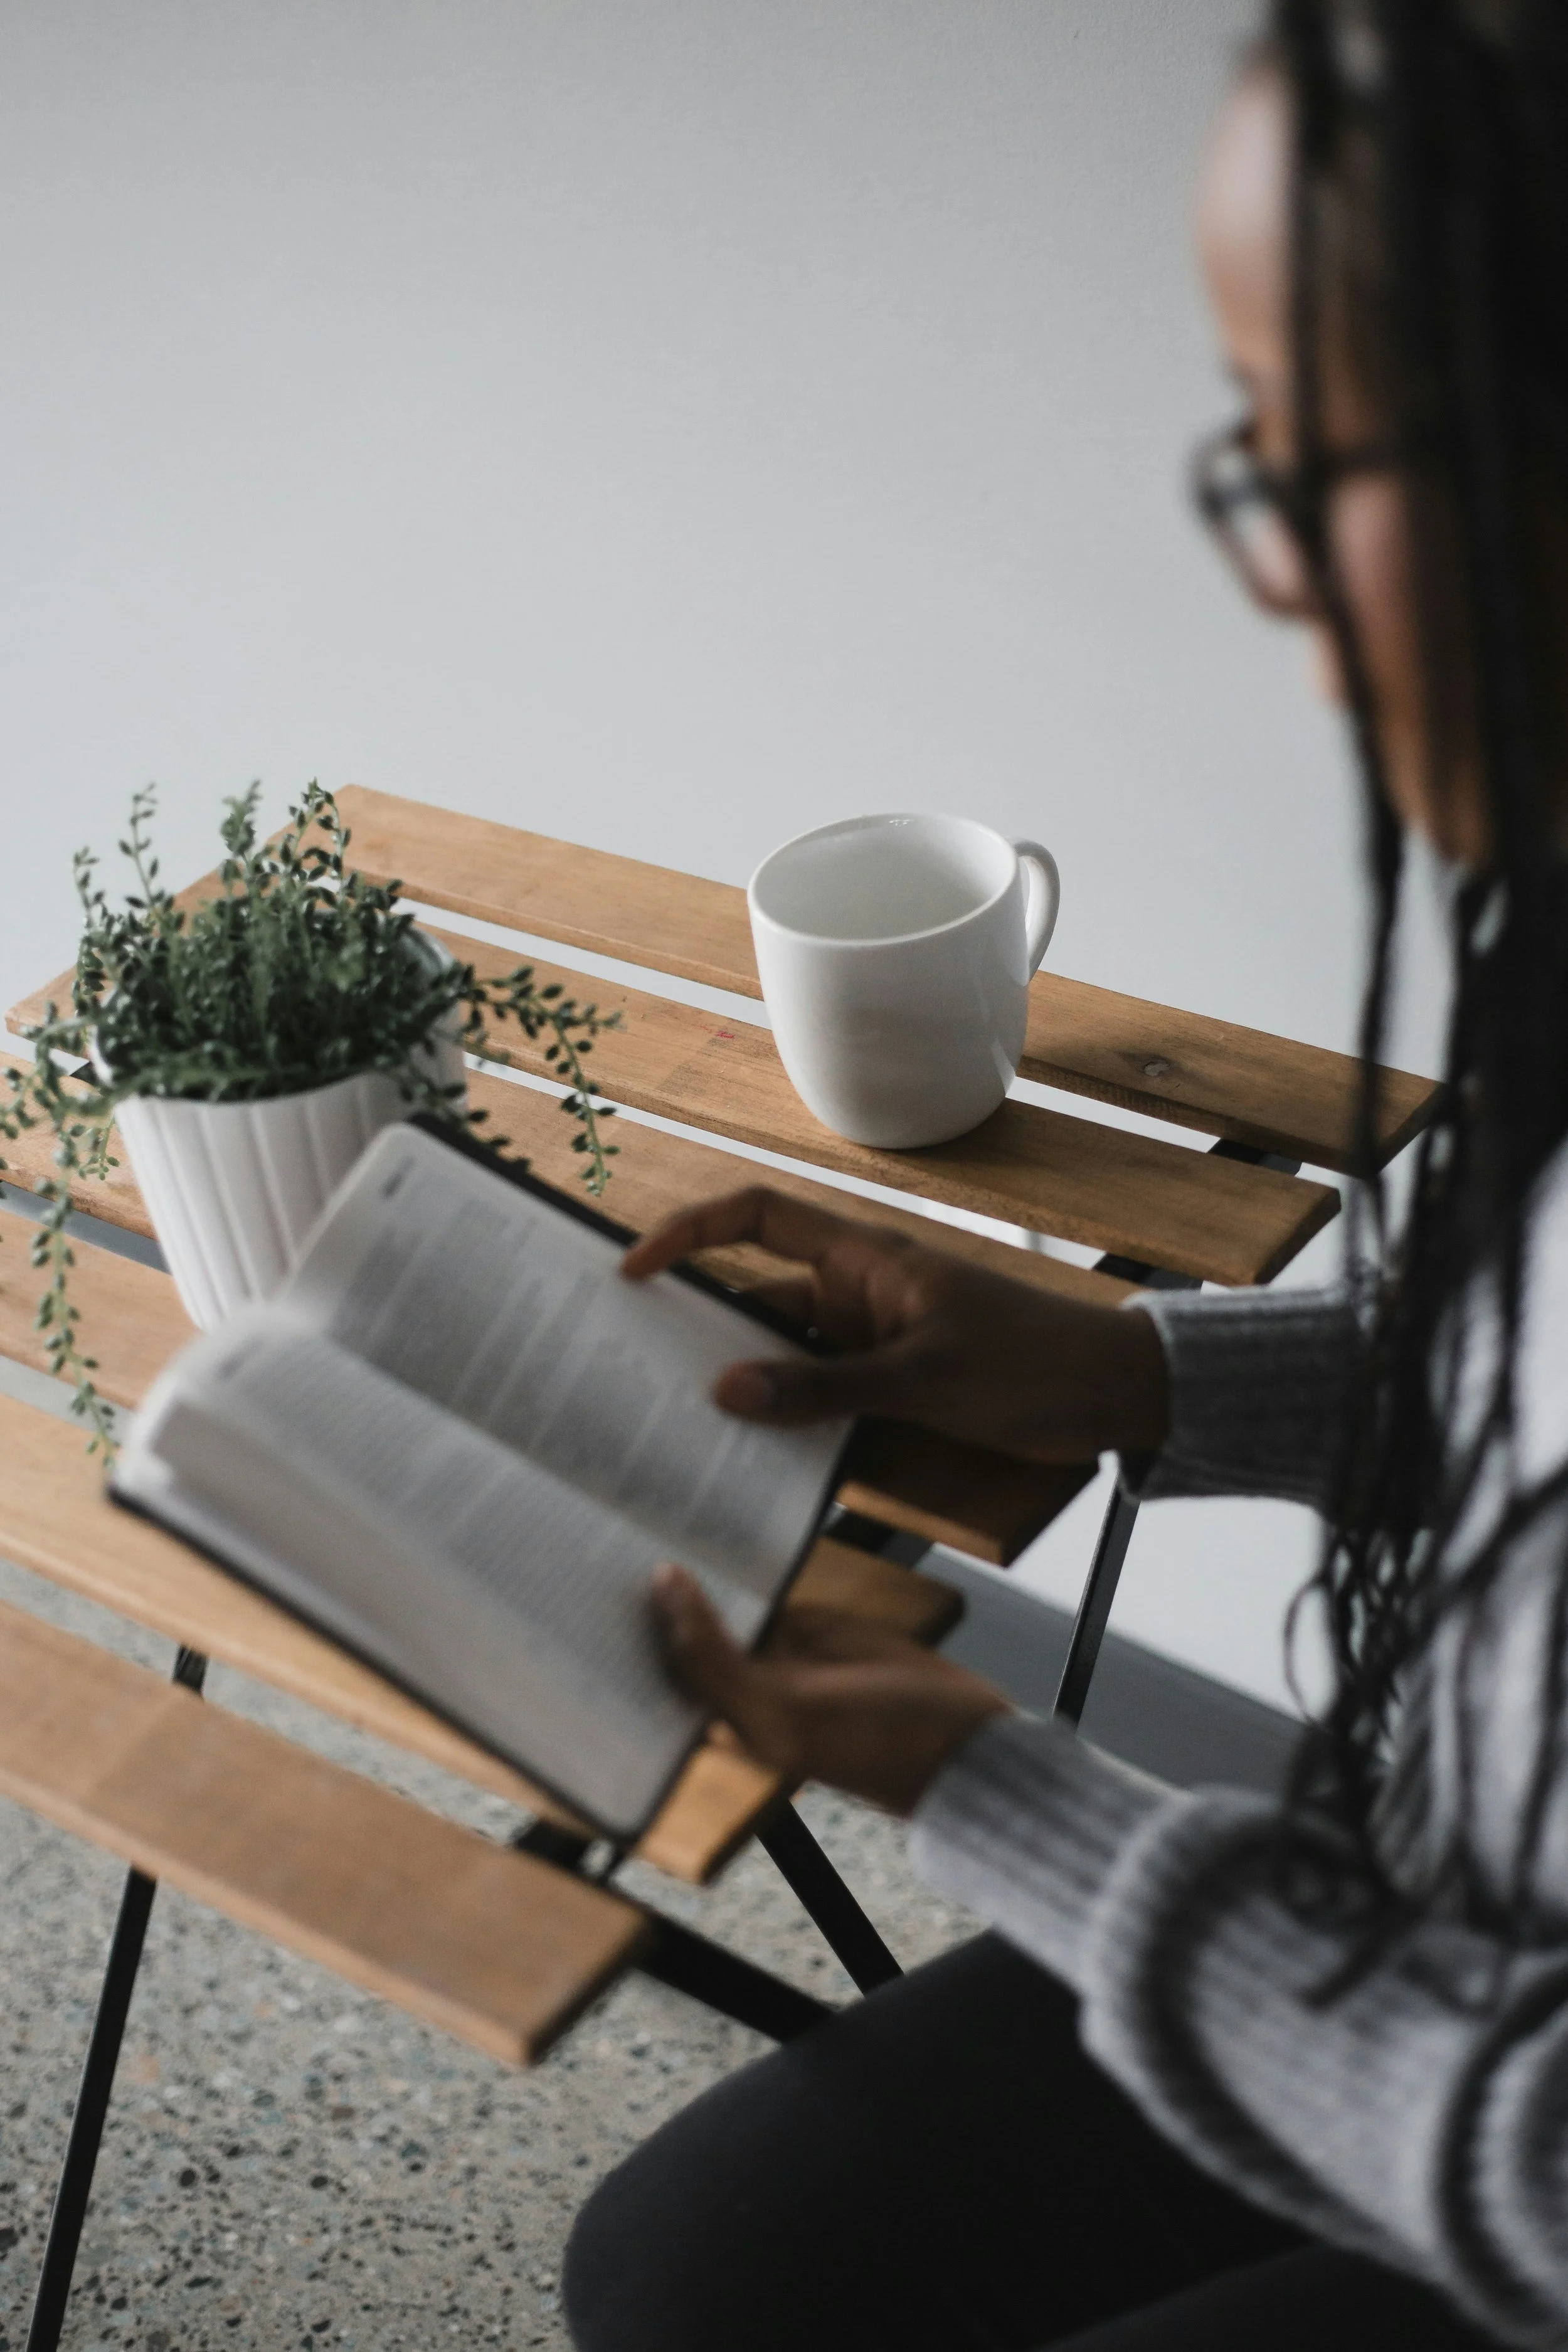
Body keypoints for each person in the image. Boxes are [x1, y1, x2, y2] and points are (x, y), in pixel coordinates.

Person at [563, 3, 1568, 2345]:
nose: (1273, 570)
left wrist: (1005, 1797)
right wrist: (1114, 1368)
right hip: (1445, 1882)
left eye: (1313, 454)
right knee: (681, 2272)